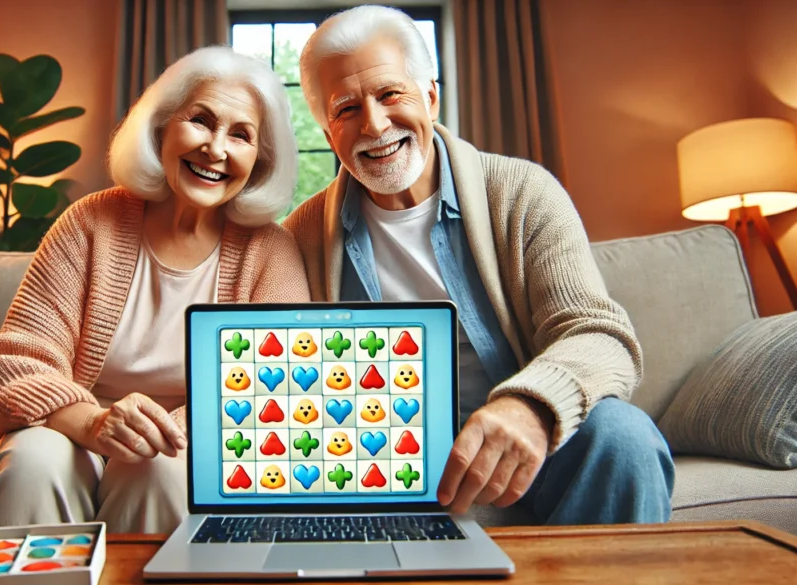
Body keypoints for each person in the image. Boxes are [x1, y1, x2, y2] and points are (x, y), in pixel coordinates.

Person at [283, 5, 674, 525]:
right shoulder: (300, 235)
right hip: (386, 461)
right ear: (329, 132)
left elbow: (601, 335)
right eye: (346, 109)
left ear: (431, 96)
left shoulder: (522, 192)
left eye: (390, 94)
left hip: (529, 448)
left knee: (622, 435)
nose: (374, 124)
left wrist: (530, 406)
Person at [0, 46, 310, 533]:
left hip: (191, 443)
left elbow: (277, 389)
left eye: (240, 135)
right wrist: (94, 424)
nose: (215, 149)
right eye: (200, 121)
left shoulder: (271, 251)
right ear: (162, 127)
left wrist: (171, 431)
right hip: (71, 428)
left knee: (162, 471)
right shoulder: (91, 221)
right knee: (32, 464)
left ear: (259, 159)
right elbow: (10, 363)